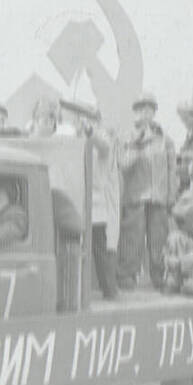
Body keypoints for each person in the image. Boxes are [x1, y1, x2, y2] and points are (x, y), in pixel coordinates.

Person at [118, 94, 177, 291]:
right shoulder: (126, 136)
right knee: (132, 239)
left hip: (158, 197)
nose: (145, 113)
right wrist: (137, 142)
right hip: (135, 197)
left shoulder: (165, 138)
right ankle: (127, 276)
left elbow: (172, 169)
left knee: (159, 239)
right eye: (141, 109)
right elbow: (123, 165)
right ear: (134, 113)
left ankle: (159, 277)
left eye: (149, 109)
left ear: (154, 112)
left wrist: (171, 196)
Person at [62, 100, 120, 301]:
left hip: (95, 205)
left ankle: (110, 291)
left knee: (100, 251)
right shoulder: (71, 140)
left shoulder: (101, 141)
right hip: (75, 204)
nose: (81, 121)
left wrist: (89, 131)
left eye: (87, 117)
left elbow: (103, 145)